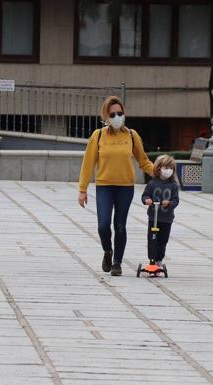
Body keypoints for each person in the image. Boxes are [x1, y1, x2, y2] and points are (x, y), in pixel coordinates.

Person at [78, 96, 154, 276]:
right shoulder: (98, 136)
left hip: (125, 187)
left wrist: (159, 173)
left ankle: (117, 263)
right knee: (103, 225)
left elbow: (143, 161)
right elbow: (88, 164)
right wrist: (83, 190)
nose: (117, 116)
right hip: (104, 186)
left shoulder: (132, 135)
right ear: (106, 116)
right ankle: (107, 250)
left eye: (120, 113)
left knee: (120, 225)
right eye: (113, 114)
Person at [141, 155, 179, 266]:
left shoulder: (173, 185)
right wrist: (147, 200)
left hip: (166, 219)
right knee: (152, 239)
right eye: (166, 167)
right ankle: (151, 259)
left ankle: (159, 260)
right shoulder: (152, 183)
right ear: (158, 168)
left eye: (171, 168)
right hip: (154, 217)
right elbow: (145, 196)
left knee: (163, 240)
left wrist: (170, 203)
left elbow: (176, 200)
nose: (168, 170)